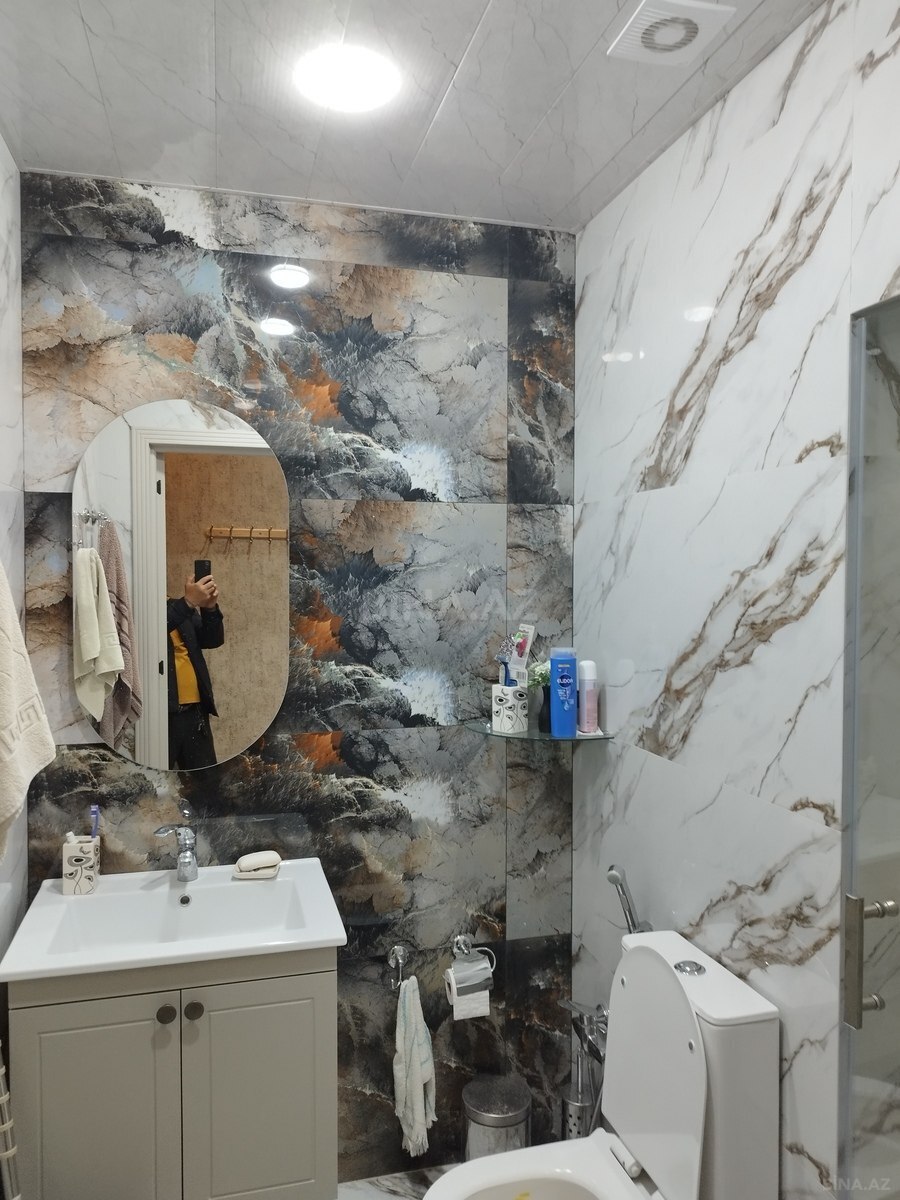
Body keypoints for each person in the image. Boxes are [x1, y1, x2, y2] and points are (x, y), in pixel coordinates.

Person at [166, 573, 224, 769]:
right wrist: (189, 602)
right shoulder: (138, 609)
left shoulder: (177, 606)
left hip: (195, 711)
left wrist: (209, 608)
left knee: (207, 779)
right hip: (161, 714)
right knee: (157, 779)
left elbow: (212, 640)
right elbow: (151, 633)